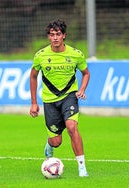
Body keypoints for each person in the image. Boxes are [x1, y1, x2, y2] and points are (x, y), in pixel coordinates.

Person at [29, 19, 90, 177]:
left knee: (72, 127)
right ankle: (50, 145)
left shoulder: (76, 55)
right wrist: (34, 103)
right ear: (48, 37)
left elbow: (86, 73)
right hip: (49, 101)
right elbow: (33, 77)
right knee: (57, 141)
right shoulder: (40, 56)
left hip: (69, 96)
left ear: (64, 36)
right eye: (51, 34)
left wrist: (82, 89)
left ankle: (82, 167)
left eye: (58, 34)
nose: (55, 37)